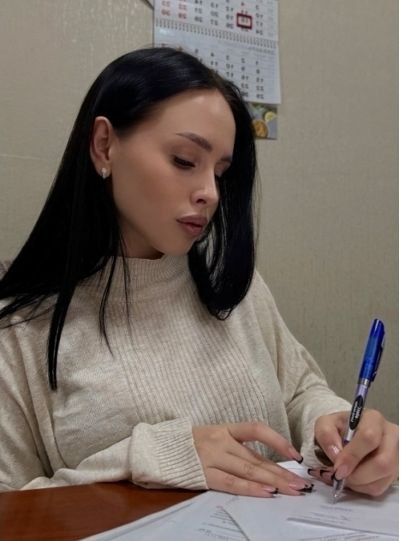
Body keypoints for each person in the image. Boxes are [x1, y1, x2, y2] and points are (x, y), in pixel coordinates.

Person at [0, 47, 397, 496]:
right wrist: (150, 458)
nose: (210, 192)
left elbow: (299, 392)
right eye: (185, 161)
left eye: (221, 173)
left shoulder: (229, 284)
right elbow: (11, 510)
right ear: (104, 144)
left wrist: (333, 428)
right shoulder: (19, 328)